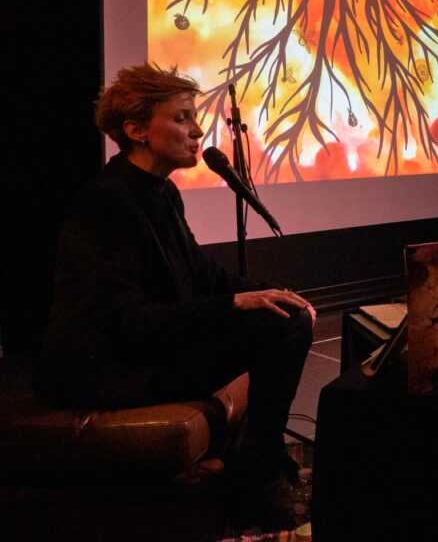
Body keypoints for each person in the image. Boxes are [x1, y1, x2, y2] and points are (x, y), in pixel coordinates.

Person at [34, 63, 315, 529]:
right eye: (182, 117)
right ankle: (256, 473)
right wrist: (231, 307)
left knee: (286, 316)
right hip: (111, 369)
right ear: (137, 129)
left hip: (147, 352)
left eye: (194, 117)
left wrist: (274, 293)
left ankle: (254, 465)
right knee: (280, 328)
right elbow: (123, 321)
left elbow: (202, 274)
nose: (197, 130)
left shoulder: (159, 194)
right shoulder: (105, 203)